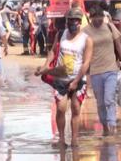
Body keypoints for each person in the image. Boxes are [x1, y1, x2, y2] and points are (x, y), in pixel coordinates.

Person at [35, 8, 93, 148]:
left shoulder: (87, 40)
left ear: (80, 22)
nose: (73, 23)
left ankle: (74, 139)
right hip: (61, 79)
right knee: (60, 109)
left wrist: (76, 81)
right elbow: (53, 52)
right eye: (70, 20)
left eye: (76, 21)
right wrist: (45, 67)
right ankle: (61, 139)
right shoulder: (61, 34)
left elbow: (86, 63)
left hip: (78, 80)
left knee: (76, 109)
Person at [83, 4, 121, 136]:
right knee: (100, 103)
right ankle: (104, 127)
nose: (97, 20)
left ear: (103, 17)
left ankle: (112, 126)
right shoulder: (85, 32)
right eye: (94, 17)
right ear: (90, 18)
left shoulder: (109, 27)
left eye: (100, 17)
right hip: (95, 71)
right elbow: (82, 52)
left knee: (109, 99)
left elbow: (119, 46)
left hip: (111, 69)